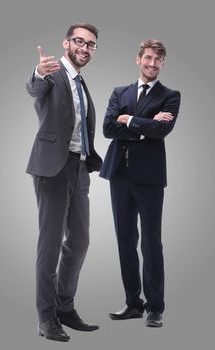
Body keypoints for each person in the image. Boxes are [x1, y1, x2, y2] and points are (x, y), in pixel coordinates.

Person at [26, 23, 102, 342]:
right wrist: (38, 72)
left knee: (80, 239)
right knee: (51, 242)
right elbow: (34, 88)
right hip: (52, 169)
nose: (84, 48)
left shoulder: (81, 83)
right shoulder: (53, 74)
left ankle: (64, 307)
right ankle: (46, 318)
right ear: (66, 43)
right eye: (79, 41)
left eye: (91, 45)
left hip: (79, 168)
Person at [100, 39, 181, 328]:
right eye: (148, 58)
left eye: (158, 59)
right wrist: (143, 125)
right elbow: (109, 128)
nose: (152, 63)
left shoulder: (170, 95)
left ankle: (155, 307)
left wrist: (130, 119)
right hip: (119, 176)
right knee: (125, 241)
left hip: (149, 179)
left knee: (150, 243)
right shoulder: (119, 91)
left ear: (162, 63)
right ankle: (133, 303)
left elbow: (162, 130)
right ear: (138, 59)